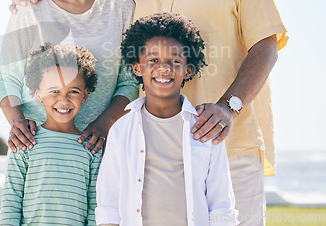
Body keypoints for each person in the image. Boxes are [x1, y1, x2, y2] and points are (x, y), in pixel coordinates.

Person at [9, 0, 287, 224]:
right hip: (156, 153)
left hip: (231, 141)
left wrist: (228, 108)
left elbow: (266, 45)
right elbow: (89, 46)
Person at [0, 0, 138, 156]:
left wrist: (105, 124)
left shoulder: (122, 9)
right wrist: (17, 123)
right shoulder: (31, 6)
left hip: (101, 148)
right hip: (39, 146)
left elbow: (129, 82)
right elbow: (7, 77)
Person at [95, 13, 238, 226]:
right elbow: (108, 203)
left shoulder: (205, 128)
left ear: (188, 70)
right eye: (153, 60)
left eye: (174, 61)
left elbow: (221, 204)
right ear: (137, 68)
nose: (163, 68)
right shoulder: (121, 130)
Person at [0, 42, 101, 225]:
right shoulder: (25, 142)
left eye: (73, 91)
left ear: (85, 95)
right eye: (54, 91)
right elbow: (11, 202)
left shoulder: (92, 148)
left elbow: (95, 206)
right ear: (38, 95)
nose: (63, 100)